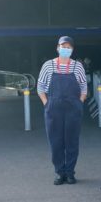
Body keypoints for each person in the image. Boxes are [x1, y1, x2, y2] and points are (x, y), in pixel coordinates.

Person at [37, 36, 87, 185]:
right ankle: (59, 172)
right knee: (56, 141)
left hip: (73, 108)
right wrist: (47, 104)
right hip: (53, 108)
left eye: (69, 47)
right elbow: (40, 87)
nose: (66, 49)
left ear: (72, 49)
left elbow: (84, 87)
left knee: (72, 141)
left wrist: (80, 102)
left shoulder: (77, 66)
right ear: (57, 48)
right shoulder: (48, 65)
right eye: (63, 46)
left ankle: (70, 172)